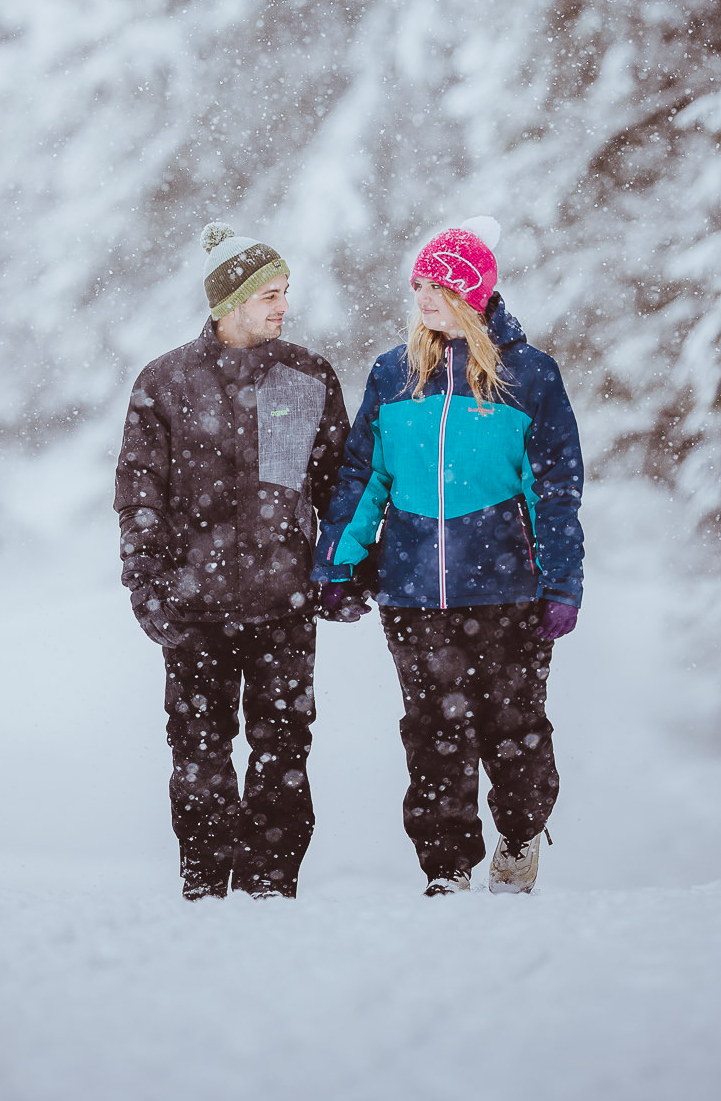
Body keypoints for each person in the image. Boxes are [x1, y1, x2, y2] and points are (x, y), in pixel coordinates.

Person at [311, 216, 583, 896]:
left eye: (439, 286)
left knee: (513, 729)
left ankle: (519, 834)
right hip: (412, 591)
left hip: (507, 590)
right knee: (433, 733)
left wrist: (561, 583)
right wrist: (337, 562)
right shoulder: (395, 374)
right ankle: (446, 867)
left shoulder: (528, 376)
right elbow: (365, 477)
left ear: (474, 294)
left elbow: (555, 490)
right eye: (419, 286)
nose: (424, 298)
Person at [115, 223, 349, 900]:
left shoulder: (307, 376)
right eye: (270, 294)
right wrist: (147, 586)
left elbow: (339, 489)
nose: (283, 306)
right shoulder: (165, 382)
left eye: (285, 292)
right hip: (194, 608)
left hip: (285, 604)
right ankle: (204, 885)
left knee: (284, 749)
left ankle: (270, 887)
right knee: (198, 750)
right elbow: (138, 495)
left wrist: (343, 570)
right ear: (230, 301)